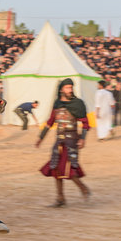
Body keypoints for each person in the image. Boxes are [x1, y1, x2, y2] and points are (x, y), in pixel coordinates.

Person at [35, 78, 91, 207]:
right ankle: (60, 199)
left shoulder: (78, 104)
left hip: (71, 141)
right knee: (56, 169)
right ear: (61, 90)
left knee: (67, 169)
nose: (70, 90)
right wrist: (41, 138)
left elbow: (86, 123)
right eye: (67, 88)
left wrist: (82, 138)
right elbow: (50, 123)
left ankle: (84, 189)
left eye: (71, 87)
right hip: (59, 140)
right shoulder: (57, 104)